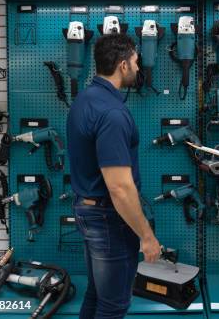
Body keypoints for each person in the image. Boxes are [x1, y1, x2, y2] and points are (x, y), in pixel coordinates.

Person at [67, 33, 161, 318]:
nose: (137, 67)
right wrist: (146, 236)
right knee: (114, 304)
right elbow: (120, 188)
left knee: (98, 295)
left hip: (89, 211)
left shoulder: (85, 99)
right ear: (123, 65)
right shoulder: (112, 113)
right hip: (109, 220)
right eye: (135, 61)